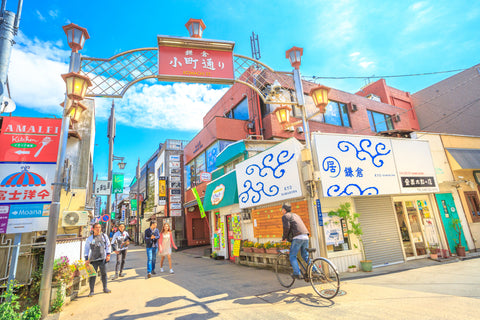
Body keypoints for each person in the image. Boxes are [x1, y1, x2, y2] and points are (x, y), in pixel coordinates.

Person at [281, 202, 310, 279]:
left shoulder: (285, 216)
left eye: (282, 210)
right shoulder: (296, 215)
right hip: (306, 236)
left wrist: (284, 237)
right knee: (305, 256)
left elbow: (286, 228)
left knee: (292, 256)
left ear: (284, 210)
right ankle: (315, 271)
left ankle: (297, 273)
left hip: (298, 237)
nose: (281, 211)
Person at [84, 223, 112, 297]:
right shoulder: (90, 239)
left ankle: (105, 288)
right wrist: (86, 259)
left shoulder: (104, 236)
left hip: (103, 258)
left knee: (104, 274)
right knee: (92, 275)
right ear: (93, 229)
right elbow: (86, 249)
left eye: (99, 227)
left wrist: (108, 255)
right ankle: (91, 291)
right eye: (96, 227)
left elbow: (108, 245)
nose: (98, 229)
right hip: (93, 259)